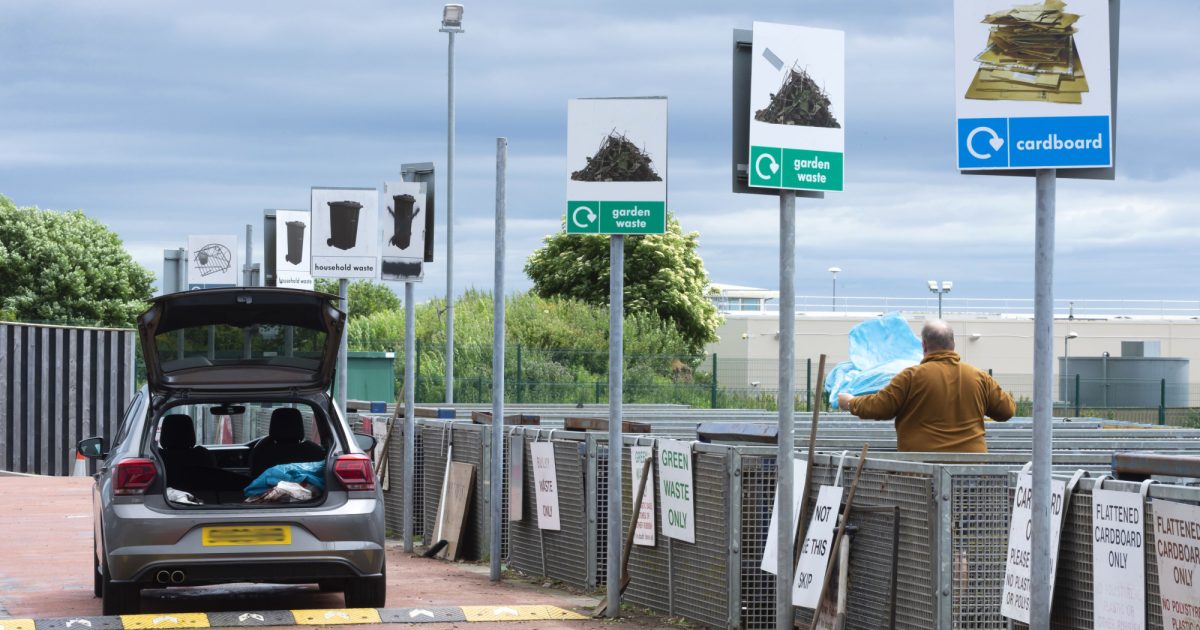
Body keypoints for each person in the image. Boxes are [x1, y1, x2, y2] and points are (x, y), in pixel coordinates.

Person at [837, 319, 1015, 453]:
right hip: (971, 467)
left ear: (923, 345)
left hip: (922, 467)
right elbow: (1006, 410)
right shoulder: (980, 377)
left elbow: (880, 406)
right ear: (953, 344)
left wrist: (851, 402)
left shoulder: (910, 377)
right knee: (968, 504)